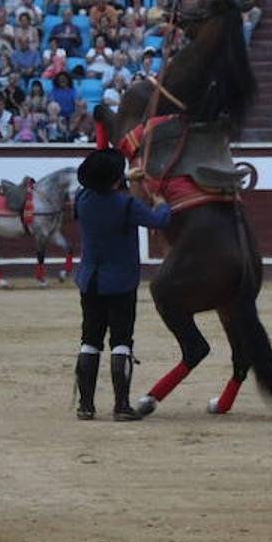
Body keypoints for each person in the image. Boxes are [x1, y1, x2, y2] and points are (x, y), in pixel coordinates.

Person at [72, 149, 172, 422]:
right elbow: (161, 220)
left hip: (89, 281)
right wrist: (161, 200)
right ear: (115, 180)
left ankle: (86, 405)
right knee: (121, 342)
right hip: (120, 283)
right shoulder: (126, 205)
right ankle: (121, 406)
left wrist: (124, 177)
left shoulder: (82, 199)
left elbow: (98, 189)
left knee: (90, 340)